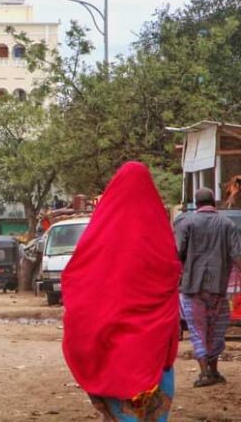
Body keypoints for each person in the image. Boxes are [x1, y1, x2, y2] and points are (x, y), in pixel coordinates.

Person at [62, 162, 181, 421]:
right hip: (151, 347)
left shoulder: (100, 230)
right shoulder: (158, 227)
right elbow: (171, 272)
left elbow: (75, 277)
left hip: (110, 347)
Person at [175, 187, 241, 387]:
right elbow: (237, 255)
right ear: (214, 202)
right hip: (219, 288)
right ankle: (213, 371)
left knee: (197, 330)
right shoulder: (227, 224)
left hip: (192, 287)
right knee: (216, 330)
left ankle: (205, 373)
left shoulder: (186, 223)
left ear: (197, 203)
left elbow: (179, 252)